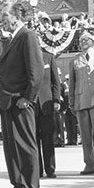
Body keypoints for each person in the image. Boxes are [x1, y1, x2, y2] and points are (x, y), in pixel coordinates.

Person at [0, 2, 43, 188]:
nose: (2, 20)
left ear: (16, 16)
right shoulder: (12, 39)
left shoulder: (28, 36)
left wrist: (28, 98)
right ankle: (18, 185)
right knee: (12, 147)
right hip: (8, 101)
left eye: (5, 15)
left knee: (25, 145)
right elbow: (9, 69)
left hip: (20, 101)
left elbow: (36, 70)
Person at [68, 31, 94, 175]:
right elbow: (72, 83)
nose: (83, 42)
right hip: (81, 100)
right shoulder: (74, 60)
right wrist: (71, 102)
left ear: (93, 41)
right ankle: (89, 165)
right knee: (85, 136)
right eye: (81, 40)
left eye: (86, 39)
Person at [35, 49, 61, 179]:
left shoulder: (49, 58)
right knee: (34, 139)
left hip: (47, 103)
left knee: (48, 138)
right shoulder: (26, 57)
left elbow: (56, 81)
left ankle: (50, 169)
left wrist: (56, 100)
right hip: (31, 104)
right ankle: (37, 170)